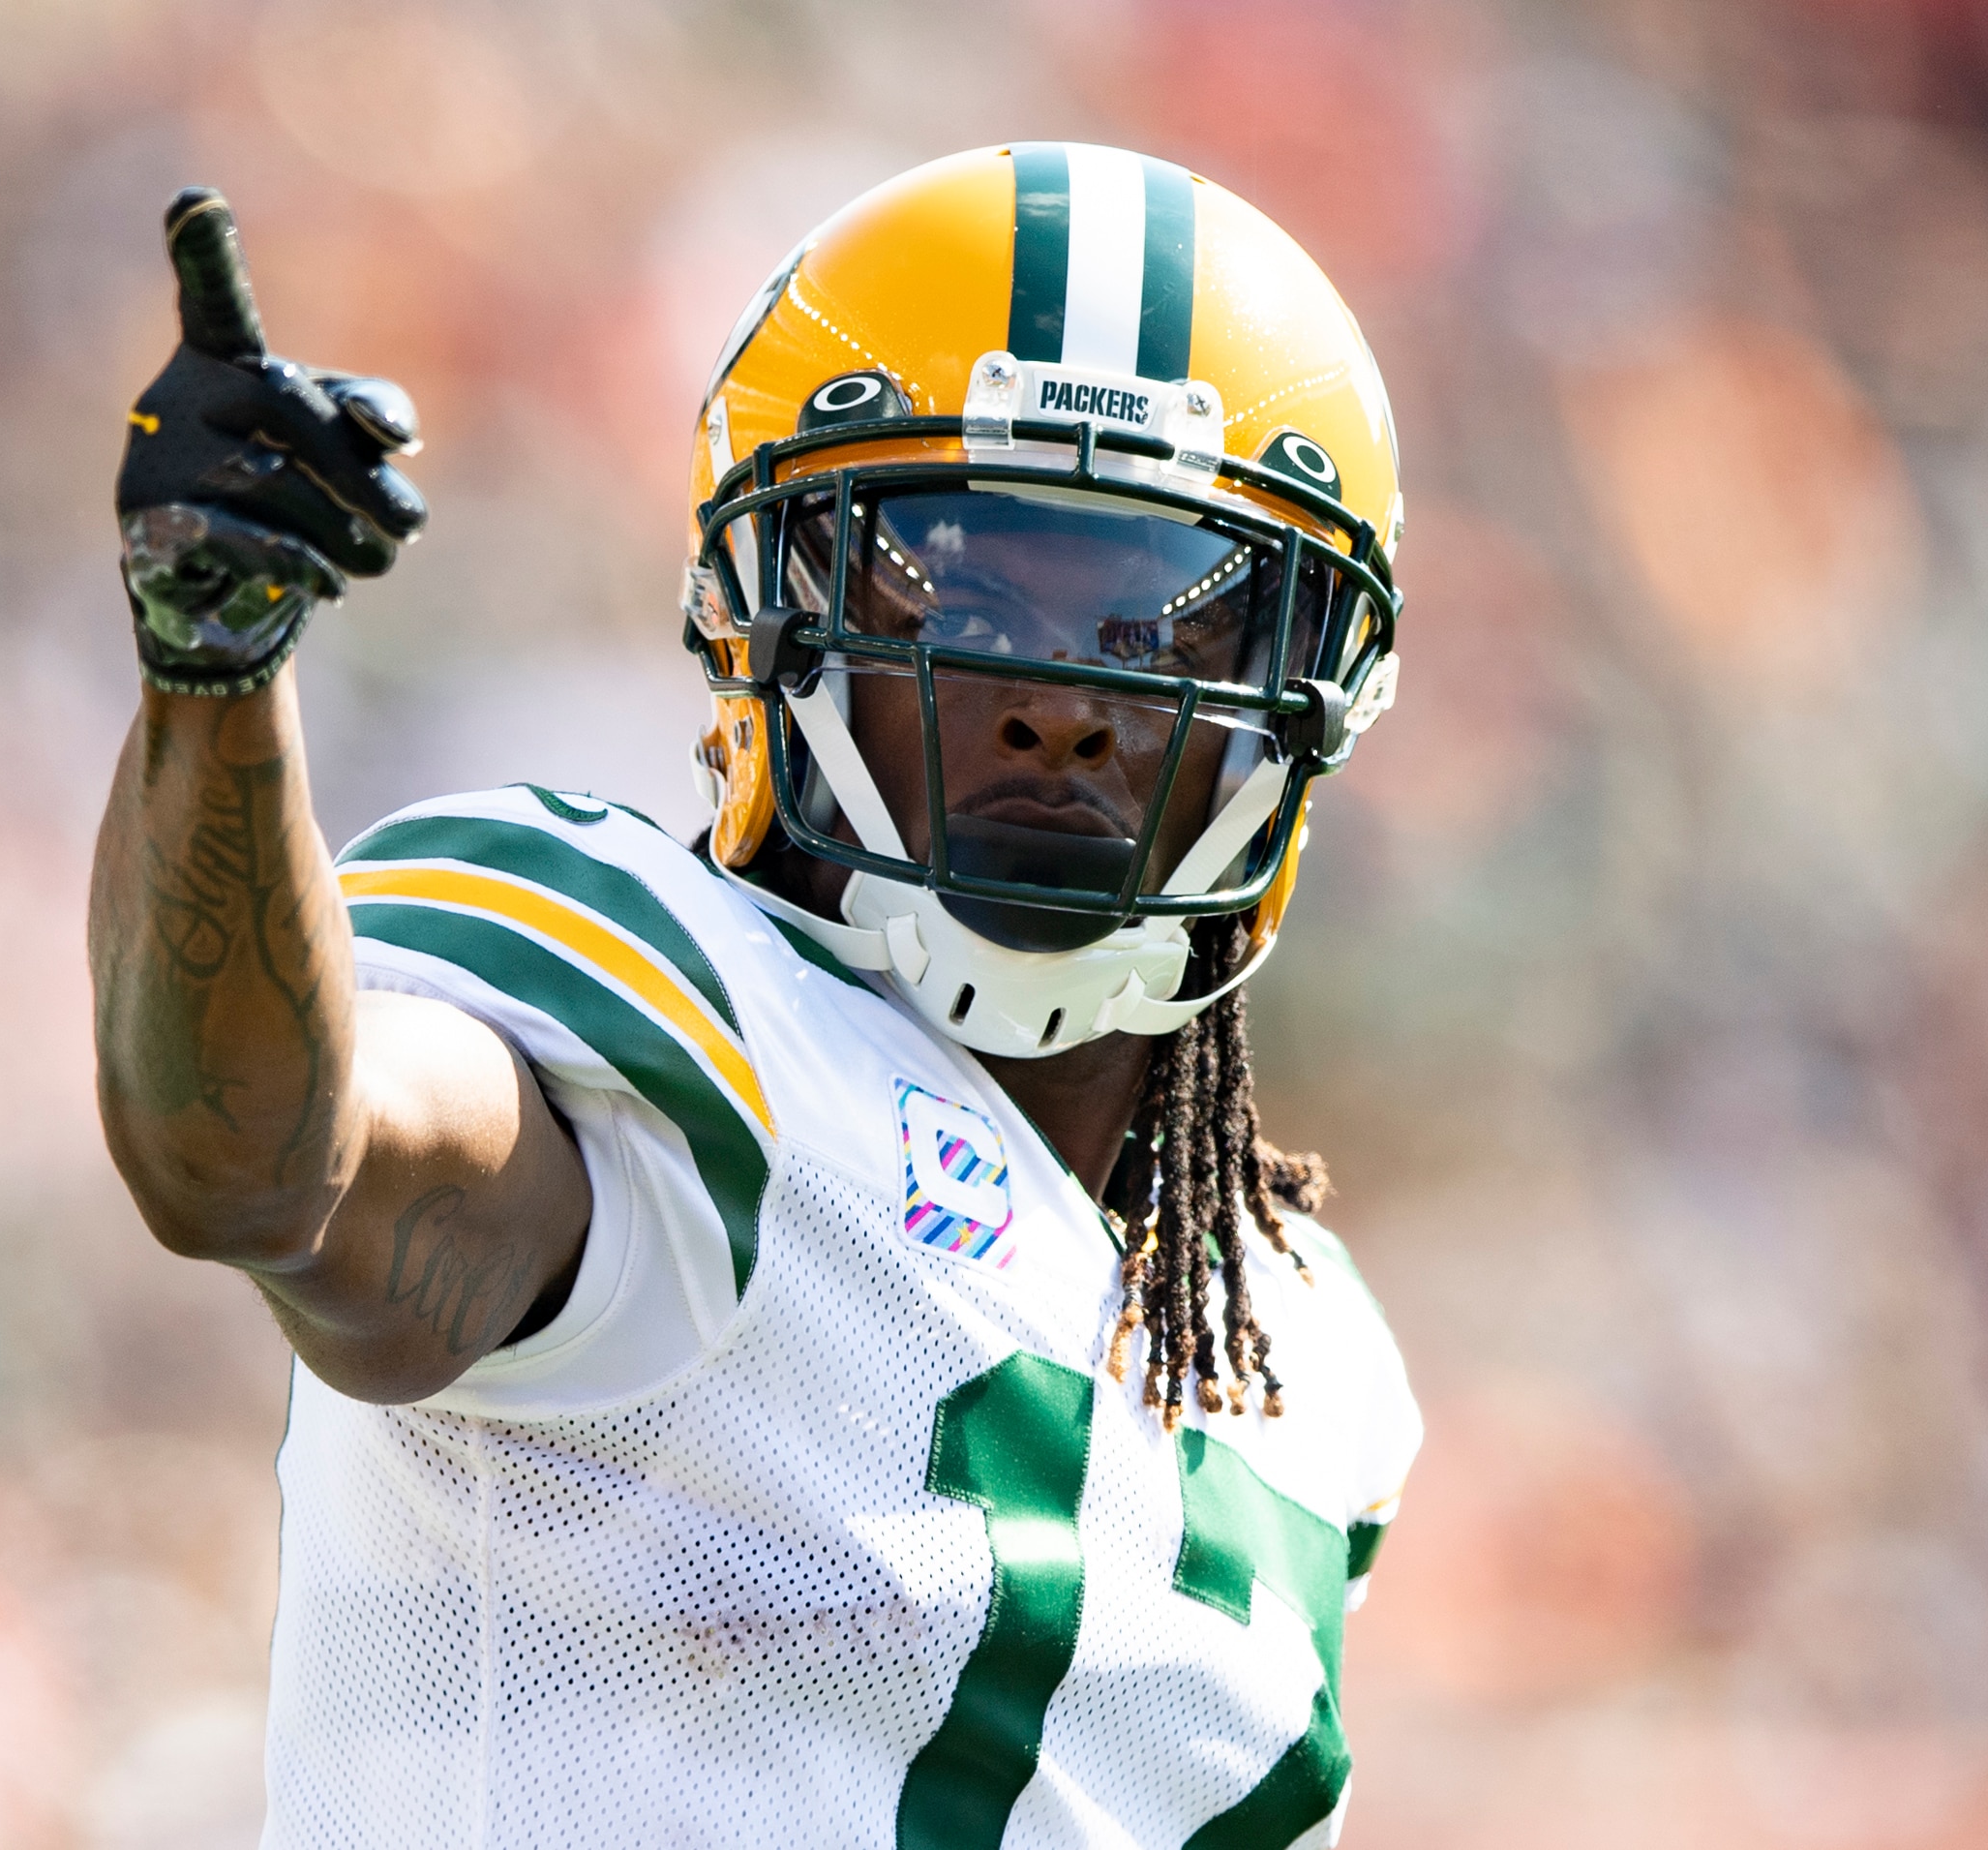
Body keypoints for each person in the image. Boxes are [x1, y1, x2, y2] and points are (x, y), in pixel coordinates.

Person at [88, 147, 1420, 1848]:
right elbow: (265, 1157)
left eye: (1165, 624)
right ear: (764, 620)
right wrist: (213, 681)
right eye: (961, 584)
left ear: (1309, 698)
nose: (1064, 702)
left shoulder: (1305, 1357)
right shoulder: (688, 1024)